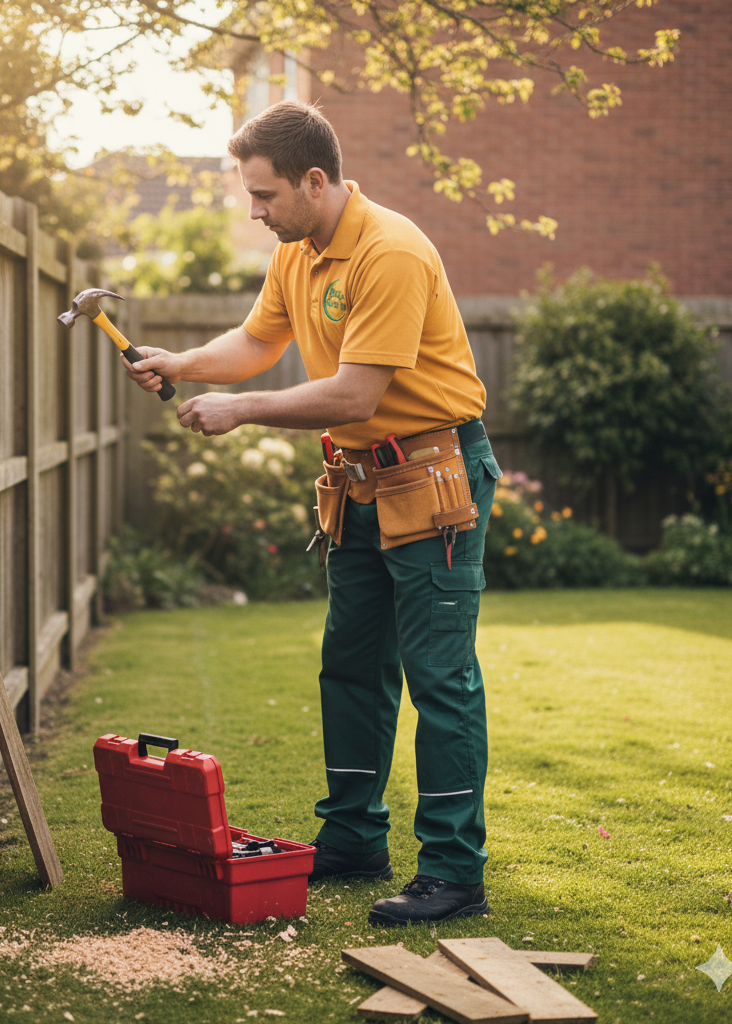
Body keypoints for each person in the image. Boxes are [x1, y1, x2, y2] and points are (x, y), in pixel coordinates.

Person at [123, 100, 501, 926]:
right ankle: (355, 839)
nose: (254, 212)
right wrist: (184, 362)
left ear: (315, 181)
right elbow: (258, 342)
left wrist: (241, 410)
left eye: (264, 195)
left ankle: (453, 871)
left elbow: (355, 393)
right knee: (352, 664)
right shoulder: (299, 255)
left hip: (434, 477)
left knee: (439, 677)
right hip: (360, 483)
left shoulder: (389, 251)